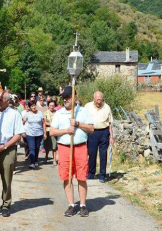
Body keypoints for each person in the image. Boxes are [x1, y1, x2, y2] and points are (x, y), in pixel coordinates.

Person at [50, 86, 94, 217]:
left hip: (80, 147)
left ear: (74, 97)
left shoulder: (83, 111)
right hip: (64, 147)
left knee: (81, 176)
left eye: (68, 97)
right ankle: (71, 205)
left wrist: (78, 124)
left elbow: (91, 129)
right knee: (67, 177)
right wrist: (66, 130)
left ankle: (82, 205)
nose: (65, 100)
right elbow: (52, 131)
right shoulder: (59, 113)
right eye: (64, 98)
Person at [84, 91, 114, 183]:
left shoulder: (107, 107)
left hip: (104, 132)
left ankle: (102, 175)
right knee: (92, 153)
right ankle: (91, 173)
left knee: (103, 154)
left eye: (100, 100)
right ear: (94, 98)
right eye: (97, 100)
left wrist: (111, 137)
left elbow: (110, 123)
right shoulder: (87, 106)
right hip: (92, 132)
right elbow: (83, 119)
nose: (99, 102)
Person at [23, 100, 46, 169]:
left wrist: (44, 133)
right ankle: (32, 162)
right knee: (31, 147)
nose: (34, 107)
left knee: (37, 147)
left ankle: (36, 160)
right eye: (32, 106)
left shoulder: (41, 113)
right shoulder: (27, 114)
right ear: (29, 107)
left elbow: (43, 123)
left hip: (39, 133)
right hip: (30, 133)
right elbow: (22, 122)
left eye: (34, 105)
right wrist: (22, 131)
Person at [44, 100, 58, 166]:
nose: (52, 107)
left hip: (55, 131)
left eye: (53, 105)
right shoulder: (45, 113)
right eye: (50, 105)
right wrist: (51, 124)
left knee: (54, 146)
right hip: (48, 130)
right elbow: (44, 122)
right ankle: (46, 156)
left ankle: (54, 159)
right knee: (47, 146)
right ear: (48, 106)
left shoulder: (57, 113)